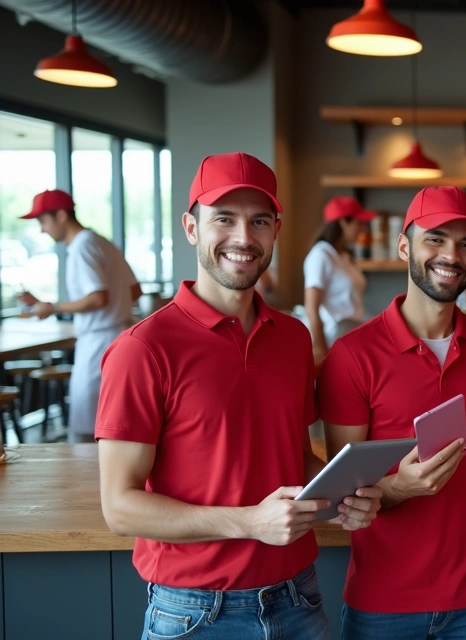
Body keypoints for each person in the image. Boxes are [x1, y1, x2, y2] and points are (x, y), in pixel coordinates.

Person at [95, 152, 382, 639]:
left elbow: (292, 456)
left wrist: (344, 496)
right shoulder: (142, 348)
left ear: (276, 231)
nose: (244, 238)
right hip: (195, 612)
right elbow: (120, 508)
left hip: (299, 598)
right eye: (223, 219)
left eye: (259, 221)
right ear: (191, 227)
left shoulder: (293, 339)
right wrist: (249, 522)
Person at [318, 185, 466, 639]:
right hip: (383, 604)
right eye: (436, 238)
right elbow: (341, 497)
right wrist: (397, 488)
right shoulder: (353, 356)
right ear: (404, 245)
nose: (452, 254)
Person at [18, 189, 140, 442]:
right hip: (121, 336)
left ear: (61, 215)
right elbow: (134, 290)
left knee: (87, 429)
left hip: (98, 343)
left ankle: (90, 480)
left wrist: (52, 307)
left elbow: (97, 297)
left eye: (43, 221)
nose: (42, 230)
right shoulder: (101, 242)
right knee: (115, 423)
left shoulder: (82, 247)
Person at [304, 196, 372, 363]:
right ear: (343, 222)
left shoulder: (343, 256)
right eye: (359, 223)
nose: (363, 229)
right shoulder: (321, 255)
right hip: (333, 337)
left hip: (350, 333)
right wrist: (322, 351)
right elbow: (312, 308)